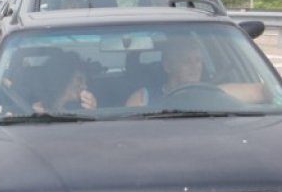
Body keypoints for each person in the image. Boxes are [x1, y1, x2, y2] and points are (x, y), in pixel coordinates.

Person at [126, 39, 268, 106]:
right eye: (186, 61)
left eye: (198, 60)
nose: (195, 66)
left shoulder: (213, 93)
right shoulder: (143, 98)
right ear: (168, 66)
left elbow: (261, 91)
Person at [31, 51, 98, 113]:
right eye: (79, 79)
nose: (85, 86)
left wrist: (92, 112)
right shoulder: (35, 110)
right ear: (61, 79)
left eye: (85, 81)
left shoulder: (79, 110)